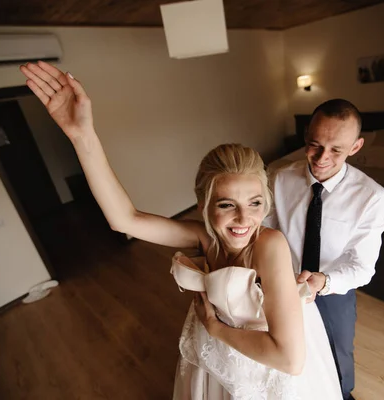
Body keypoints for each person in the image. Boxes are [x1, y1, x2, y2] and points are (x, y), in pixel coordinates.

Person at [19, 61, 342, 399]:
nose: (244, 219)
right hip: (216, 357)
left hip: (264, 367)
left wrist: (215, 328)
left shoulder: (269, 245)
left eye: (256, 203)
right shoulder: (204, 238)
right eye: (226, 204)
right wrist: (81, 135)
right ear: (203, 205)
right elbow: (123, 220)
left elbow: (289, 360)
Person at [265, 99, 384, 400]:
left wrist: (325, 282)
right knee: (283, 347)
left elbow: (363, 266)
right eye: (314, 144)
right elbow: (266, 231)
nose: (321, 158)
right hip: (281, 284)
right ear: (306, 135)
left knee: (338, 353)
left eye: (336, 149)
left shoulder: (372, 197)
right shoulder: (279, 177)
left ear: (356, 147)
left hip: (333, 291)